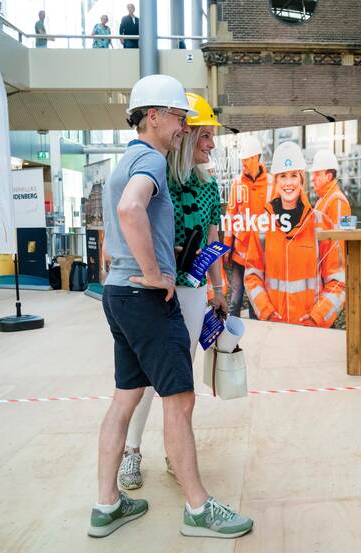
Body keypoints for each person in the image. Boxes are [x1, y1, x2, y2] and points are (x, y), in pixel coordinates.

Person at [91, 73, 252, 539]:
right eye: (181, 118)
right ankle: (199, 508)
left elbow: (117, 224)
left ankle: (106, 505)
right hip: (146, 296)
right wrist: (158, 272)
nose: (185, 127)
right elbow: (129, 210)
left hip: (119, 294)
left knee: (125, 398)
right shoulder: (152, 163)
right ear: (155, 116)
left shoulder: (125, 160)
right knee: (179, 403)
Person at [118, 92, 229, 492]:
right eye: (204, 136)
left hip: (193, 292)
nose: (210, 144)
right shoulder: (154, 176)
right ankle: (131, 452)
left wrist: (219, 285)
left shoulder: (208, 187)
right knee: (148, 378)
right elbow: (132, 224)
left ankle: (173, 453)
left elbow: (214, 237)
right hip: (158, 291)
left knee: (179, 379)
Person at [243, 141, 345, 327]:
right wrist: (266, 312)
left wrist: (317, 317)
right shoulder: (262, 225)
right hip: (273, 327)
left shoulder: (322, 224)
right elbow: (252, 276)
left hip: (312, 332)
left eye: (293, 176)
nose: (288, 183)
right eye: (283, 176)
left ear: (301, 179)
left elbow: (338, 282)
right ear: (276, 180)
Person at [224, 134, 272, 319]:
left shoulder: (271, 183)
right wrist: (227, 246)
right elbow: (230, 215)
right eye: (242, 159)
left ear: (257, 158)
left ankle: (255, 335)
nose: (243, 162)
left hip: (261, 254)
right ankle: (231, 333)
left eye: (247, 159)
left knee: (255, 300)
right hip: (240, 252)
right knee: (235, 299)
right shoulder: (237, 183)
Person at [309, 149, 351, 229]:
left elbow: (340, 238)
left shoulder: (338, 201)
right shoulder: (322, 199)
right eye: (313, 174)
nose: (313, 178)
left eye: (317, 174)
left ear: (329, 176)